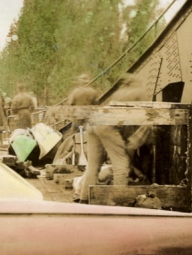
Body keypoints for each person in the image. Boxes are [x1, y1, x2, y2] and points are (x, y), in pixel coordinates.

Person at [76, 74, 148, 202]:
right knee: (121, 165)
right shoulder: (139, 92)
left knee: (93, 166)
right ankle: (119, 201)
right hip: (106, 125)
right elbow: (146, 116)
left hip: (93, 123)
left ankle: (84, 198)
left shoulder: (119, 93)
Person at [53, 74, 99, 164]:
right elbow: (97, 105)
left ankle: (73, 157)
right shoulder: (93, 92)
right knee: (91, 137)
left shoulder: (76, 92)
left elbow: (70, 104)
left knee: (73, 137)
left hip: (78, 118)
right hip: (89, 117)